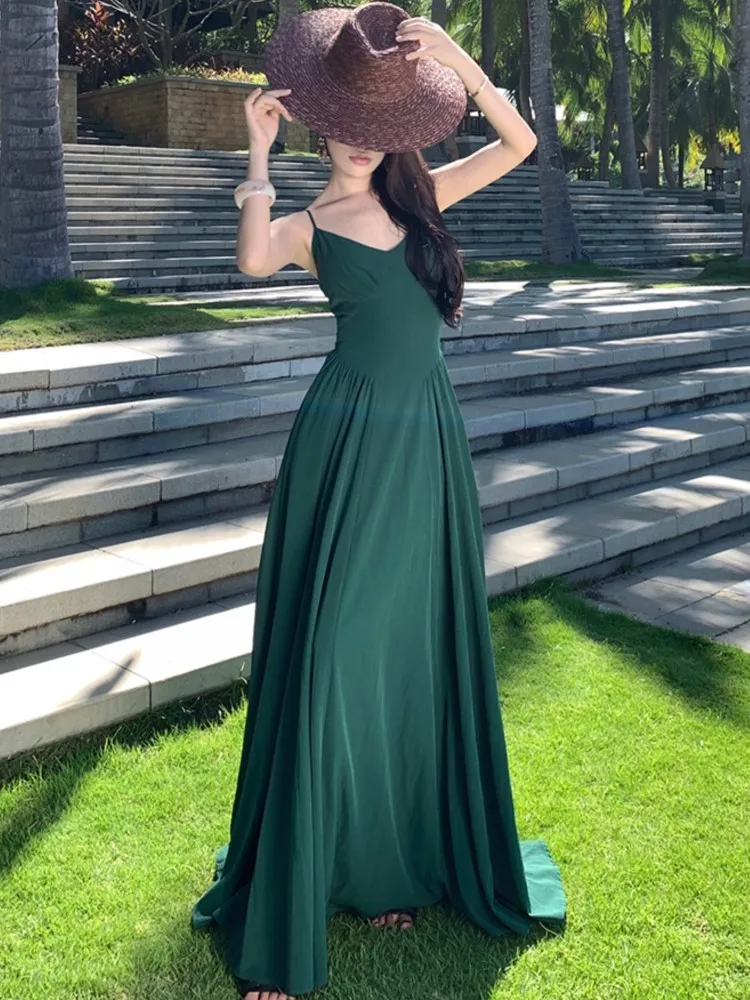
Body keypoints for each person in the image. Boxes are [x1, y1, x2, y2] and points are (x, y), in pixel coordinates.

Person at [191, 5, 567, 999]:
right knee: (333, 653)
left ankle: (383, 871)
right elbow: (251, 259)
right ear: (321, 126)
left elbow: (522, 144)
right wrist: (256, 151)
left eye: (375, 125)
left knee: (403, 654)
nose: (358, 141)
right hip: (345, 444)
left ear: (396, 132)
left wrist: (458, 60)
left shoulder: (427, 197)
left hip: (425, 445)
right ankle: (305, 883)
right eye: (342, 124)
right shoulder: (309, 227)